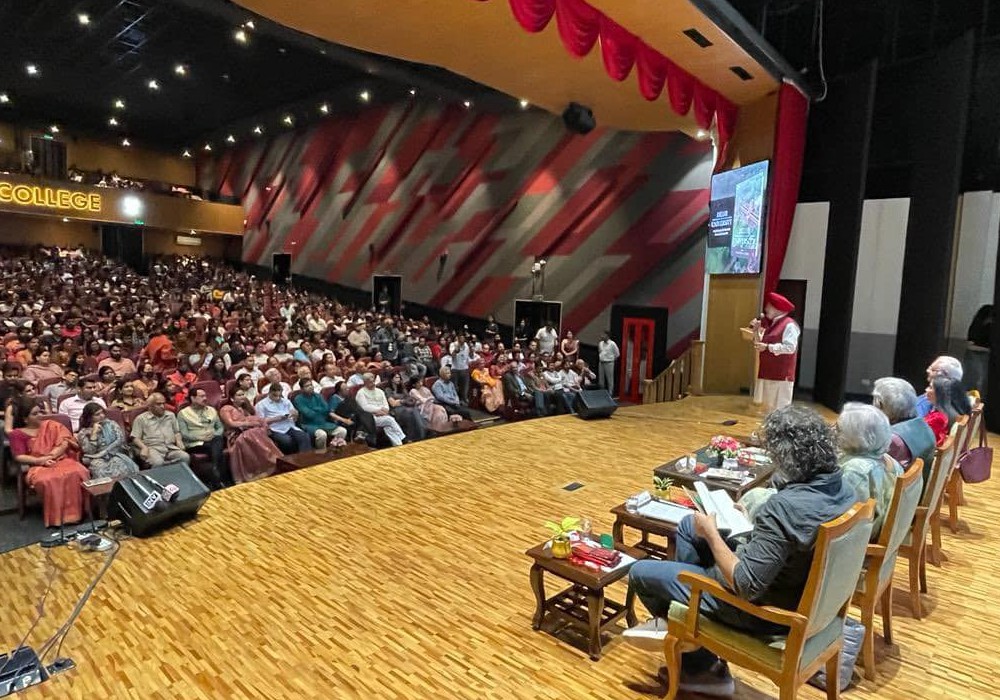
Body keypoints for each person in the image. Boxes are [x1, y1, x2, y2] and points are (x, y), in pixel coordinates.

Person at [623, 405, 856, 696]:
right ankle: (693, 639)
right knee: (686, 526)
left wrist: (711, 532)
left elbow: (746, 585)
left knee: (641, 573)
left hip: (767, 611)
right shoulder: (843, 489)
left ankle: (699, 659)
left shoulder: (785, 508)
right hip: (803, 592)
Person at [9, 397, 90, 527]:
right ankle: (56, 518)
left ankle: (76, 515)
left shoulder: (51, 425)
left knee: (79, 471)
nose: (40, 416)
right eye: (35, 414)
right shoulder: (17, 434)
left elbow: (64, 441)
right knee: (48, 480)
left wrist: (52, 455)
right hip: (37, 466)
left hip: (60, 459)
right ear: (25, 418)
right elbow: (19, 456)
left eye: (40, 412)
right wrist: (40, 460)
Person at [836, 402, 906, 540]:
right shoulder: (891, 461)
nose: (834, 432)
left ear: (854, 435)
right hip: (878, 530)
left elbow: (845, 519)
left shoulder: (855, 470)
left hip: (856, 541)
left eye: (839, 429)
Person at [872, 377, 937, 485]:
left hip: (898, 497)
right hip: (914, 492)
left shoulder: (893, 440)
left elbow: (872, 474)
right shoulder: (922, 424)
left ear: (880, 405)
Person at [219, 385, 282, 483]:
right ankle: (273, 459)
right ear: (232, 398)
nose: (242, 397)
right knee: (252, 433)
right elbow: (231, 423)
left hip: (250, 432)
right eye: (239, 395)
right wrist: (248, 424)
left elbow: (256, 418)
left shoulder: (245, 408)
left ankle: (271, 463)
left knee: (255, 432)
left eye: (243, 394)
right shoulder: (226, 408)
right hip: (235, 435)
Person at [750, 292, 800, 412]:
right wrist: (756, 331)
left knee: (780, 411)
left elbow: (790, 348)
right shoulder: (771, 324)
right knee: (767, 410)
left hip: (781, 377)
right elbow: (760, 344)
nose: (766, 309)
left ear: (777, 308)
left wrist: (768, 347)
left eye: (769, 306)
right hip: (768, 373)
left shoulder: (789, 325)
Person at [177, 387, 227, 489]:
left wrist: (215, 434)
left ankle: (215, 471)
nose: (205, 398)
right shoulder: (183, 413)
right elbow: (184, 433)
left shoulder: (211, 410)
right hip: (195, 443)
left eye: (205, 396)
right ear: (192, 398)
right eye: (201, 396)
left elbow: (220, 427)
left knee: (217, 440)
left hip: (213, 439)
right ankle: (219, 477)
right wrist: (201, 437)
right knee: (217, 446)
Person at [77, 402, 140, 480]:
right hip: (96, 459)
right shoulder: (83, 433)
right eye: (97, 414)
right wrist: (94, 434)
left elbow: (120, 440)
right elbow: (90, 452)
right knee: (98, 469)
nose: (102, 416)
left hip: (116, 453)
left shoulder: (111, 424)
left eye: (102, 413)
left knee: (120, 465)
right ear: (89, 417)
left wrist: (105, 451)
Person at [131, 393, 190, 468]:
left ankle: (178, 478)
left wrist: (179, 441)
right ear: (150, 406)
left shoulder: (171, 415)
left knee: (184, 457)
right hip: (153, 448)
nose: (162, 407)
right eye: (158, 404)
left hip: (170, 447)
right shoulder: (141, 419)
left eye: (163, 403)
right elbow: (135, 438)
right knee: (158, 462)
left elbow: (176, 432)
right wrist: (144, 447)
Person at [255, 382, 311, 454]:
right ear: (270, 393)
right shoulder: (261, 405)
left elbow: (294, 415)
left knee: (304, 437)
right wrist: (276, 419)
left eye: (279, 395)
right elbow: (260, 421)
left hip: (289, 426)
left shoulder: (286, 402)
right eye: (275, 395)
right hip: (274, 429)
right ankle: (291, 460)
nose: (278, 397)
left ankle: (306, 459)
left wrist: (295, 414)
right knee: (287, 441)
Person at [293, 378, 347, 450]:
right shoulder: (298, 399)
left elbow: (326, 409)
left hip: (323, 422)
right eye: (307, 386)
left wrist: (314, 409)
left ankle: (335, 449)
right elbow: (309, 414)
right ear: (302, 389)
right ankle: (322, 452)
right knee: (322, 435)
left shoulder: (318, 396)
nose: (310, 387)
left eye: (311, 385)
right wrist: (319, 410)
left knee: (342, 431)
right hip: (309, 424)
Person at [355, 373, 407, 446]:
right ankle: (403, 438)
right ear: (365, 382)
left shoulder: (380, 391)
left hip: (383, 414)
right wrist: (379, 410)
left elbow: (385, 404)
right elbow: (365, 407)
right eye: (370, 382)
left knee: (388, 426)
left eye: (373, 381)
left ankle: (398, 444)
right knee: (390, 420)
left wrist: (385, 410)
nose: (373, 383)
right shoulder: (361, 393)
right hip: (370, 417)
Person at [924, 376, 971, 446]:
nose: (926, 390)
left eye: (930, 387)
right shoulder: (950, 412)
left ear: (940, 394)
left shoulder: (940, 418)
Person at [449, 334, 471, 405]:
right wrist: (456, 350)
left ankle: (464, 399)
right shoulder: (453, 344)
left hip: (465, 368)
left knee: (465, 386)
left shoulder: (466, 345)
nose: (462, 340)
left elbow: (466, 357)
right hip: (455, 368)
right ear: (458, 339)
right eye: (461, 339)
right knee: (455, 386)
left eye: (464, 339)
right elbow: (452, 355)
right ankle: (455, 400)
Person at [597, 331, 620, 395]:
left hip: (609, 363)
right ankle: (601, 393)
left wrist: (611, 360)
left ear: (607, 336)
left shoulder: (612, 344)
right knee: (601, 379)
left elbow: (617, 354)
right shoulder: (600, 343)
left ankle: (610, 394)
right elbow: (600, 352)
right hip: (601, 363)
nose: (602, 336)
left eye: (603, 335)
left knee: (610, 379)